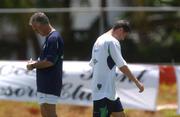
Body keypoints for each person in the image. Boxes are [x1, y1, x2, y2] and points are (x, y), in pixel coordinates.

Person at [89, 20, 144, 117]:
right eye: (124, 35)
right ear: (120, 30)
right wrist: (137, 82)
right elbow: (122, 65)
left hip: (108, 91)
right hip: (104, 93)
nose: (123, 38)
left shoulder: (99, 40)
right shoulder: (112, 41)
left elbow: (93, 63)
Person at [26, 12, 64, 117]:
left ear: (41, 25)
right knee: (45, 112)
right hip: (45, 83)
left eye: (36, 28)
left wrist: (33, 65)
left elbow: (49, 62)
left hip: (50, 82)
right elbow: (46, 60)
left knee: (49, 112)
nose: (36, 31)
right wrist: (35, 62)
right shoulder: (49, 38)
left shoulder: (53, 38)